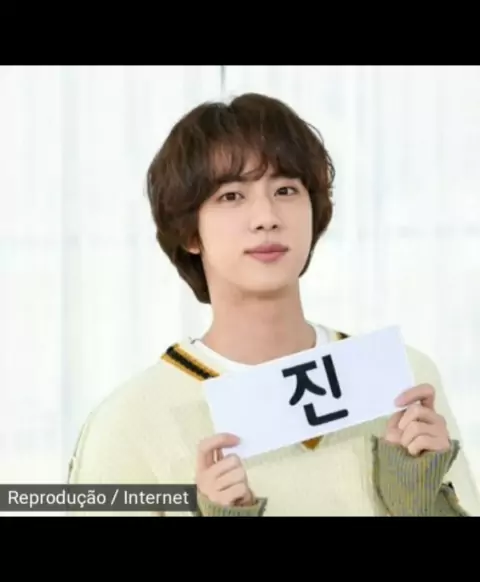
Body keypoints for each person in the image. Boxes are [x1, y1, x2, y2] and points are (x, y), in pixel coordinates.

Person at [67, 92, 480, 516]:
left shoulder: (401, 380)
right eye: (231, 196)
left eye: (286, 190)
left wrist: (420, 501)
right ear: (189, 232)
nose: (266, 217)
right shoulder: (131, 422)